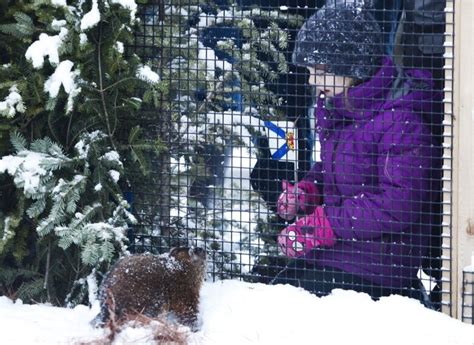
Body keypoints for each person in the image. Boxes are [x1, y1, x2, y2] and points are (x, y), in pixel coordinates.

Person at [271, 1, 440, 301]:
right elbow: (334, 170)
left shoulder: (400, 121)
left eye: (320, 71)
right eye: (310, 71)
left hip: (381, 263)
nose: (312, 81)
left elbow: (398, 203)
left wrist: (325, 224)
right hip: (343, 251)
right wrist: (309, 191)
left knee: (286, 303)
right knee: (272, 294)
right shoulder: (343, 108)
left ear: (352, 67)